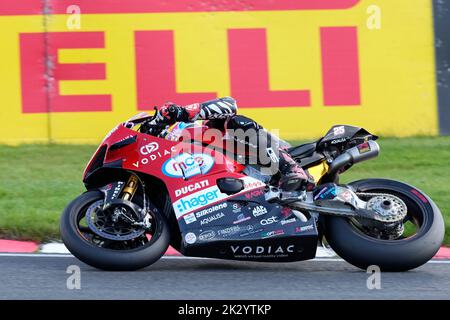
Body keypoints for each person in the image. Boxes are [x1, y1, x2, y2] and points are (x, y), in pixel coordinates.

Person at [148, 97, 313, 192]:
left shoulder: (204, 128)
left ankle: (291, 168)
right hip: (243, 184)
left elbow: (229, 104)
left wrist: (184, 112)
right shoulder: (172, 160)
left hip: (269, 164)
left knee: (236, 123)